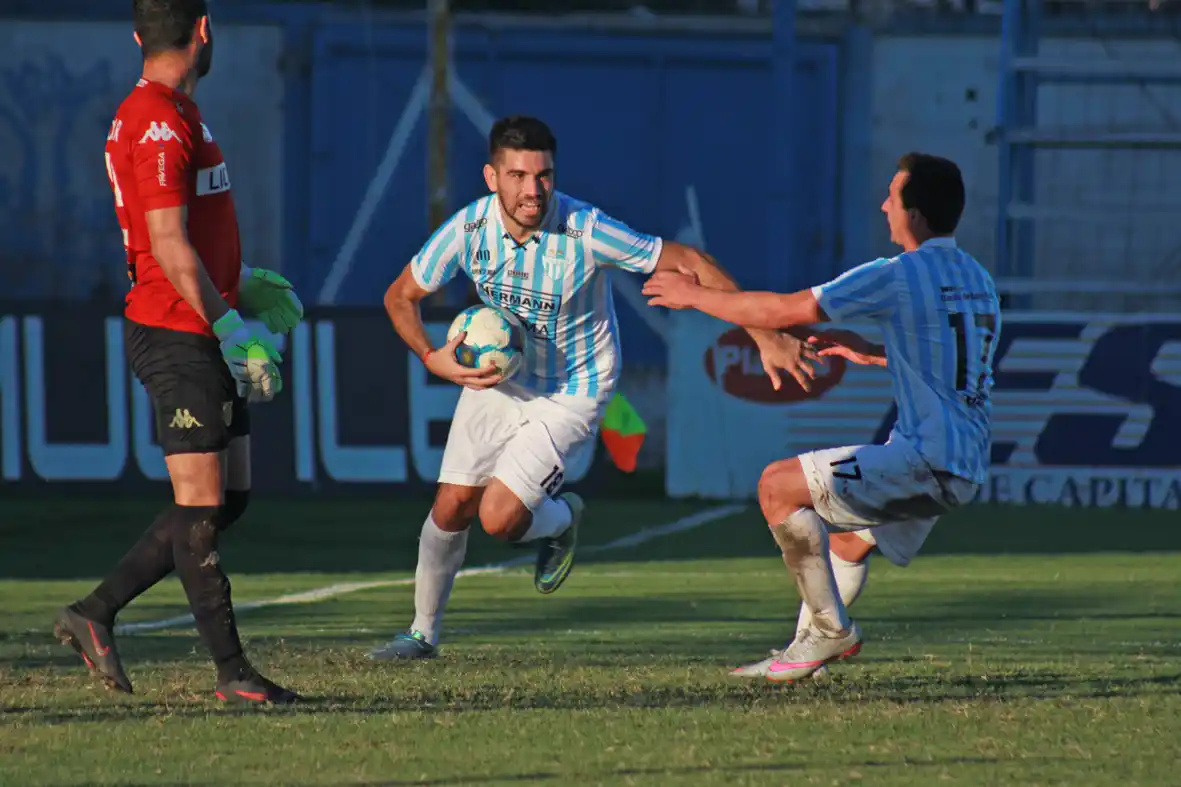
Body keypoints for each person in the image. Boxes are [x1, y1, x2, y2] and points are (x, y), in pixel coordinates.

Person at [371, 115, 818, 660]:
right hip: (502, 380)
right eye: (518, 176)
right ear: (492, 178)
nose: (533, 190)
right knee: (452, 504)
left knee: (500, 519)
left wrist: (764, 335)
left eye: (544, 175)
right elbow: (400, 295)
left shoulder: (585, 228)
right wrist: (431, 356)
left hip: (574, 387)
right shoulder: (467, 230)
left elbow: (690, 261)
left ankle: (560, 519)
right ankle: (422, 635)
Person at [643, 152, 1001, 682]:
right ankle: (805, 649)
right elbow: (957, 359)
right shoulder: (977, 278)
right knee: (849, 543)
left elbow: (781, 311)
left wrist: (693, 295)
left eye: (892, 196)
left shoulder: (898, 274)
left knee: (776, 487)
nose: (883, 206)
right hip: (966, 462)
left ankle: (831, 633)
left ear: (916, 216)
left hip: (926, 461)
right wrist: (880, 356)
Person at [54, 0, 305, 704]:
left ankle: (94, 611)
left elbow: (177, 232)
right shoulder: (160, 120)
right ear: (203, 31)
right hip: (177, 330)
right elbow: (165, 240)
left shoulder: (173, 111)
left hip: (197, 317)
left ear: (138, 36)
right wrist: (227, 322)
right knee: (199, 505)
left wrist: (238, 285)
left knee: (231, 498)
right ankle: (233, 674)